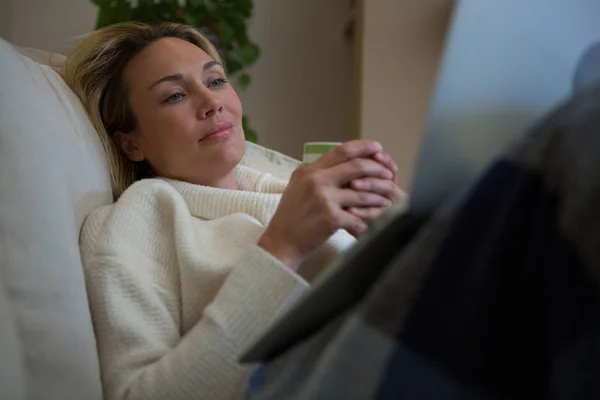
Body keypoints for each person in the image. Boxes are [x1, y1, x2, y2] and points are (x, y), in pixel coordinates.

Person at [64, 22, 404, 400]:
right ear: (131, 143)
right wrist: (282, 249)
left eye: (215, 81)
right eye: (175, 95)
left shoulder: (292, 188)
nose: (212, 103)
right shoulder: (137, 221)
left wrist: (398, 232)